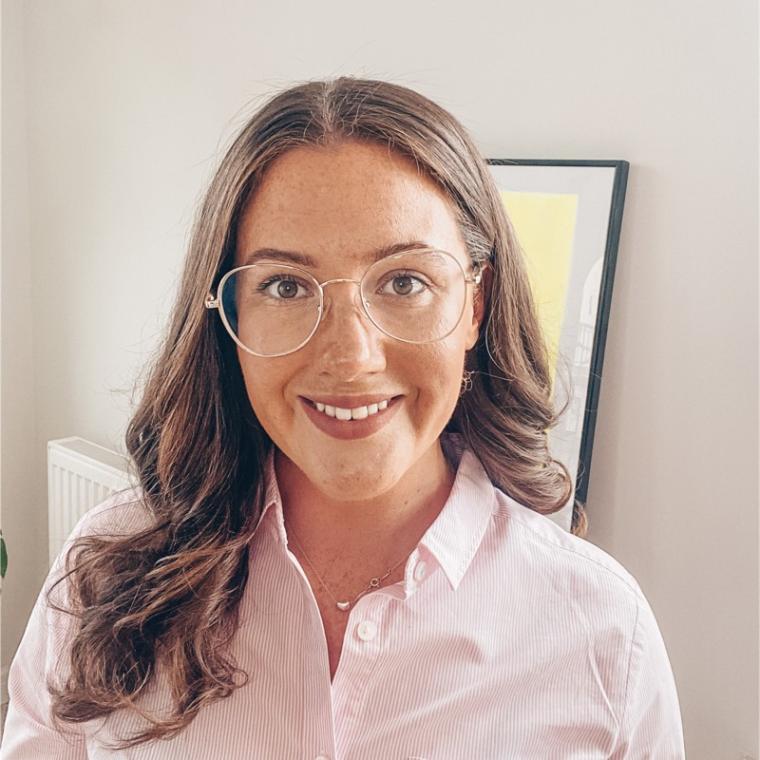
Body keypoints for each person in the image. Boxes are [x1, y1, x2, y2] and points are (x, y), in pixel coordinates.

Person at [1, 77, 685, 759]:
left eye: (405, 282)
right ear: (230, 317)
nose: (352, 357)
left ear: (475, 306)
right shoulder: (106, 575)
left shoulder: (601, 632)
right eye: (286, 286)